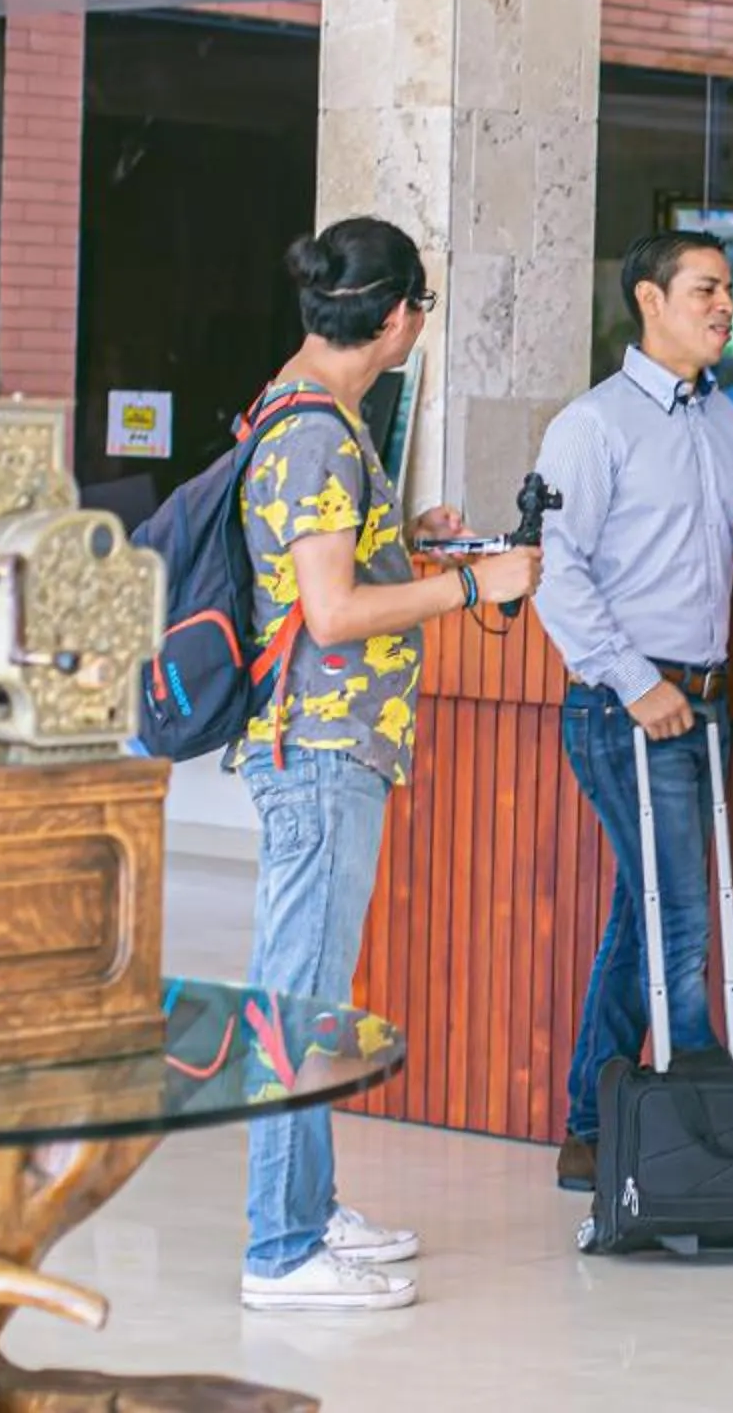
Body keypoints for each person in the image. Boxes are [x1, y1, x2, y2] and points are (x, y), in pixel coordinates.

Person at [235, 217, 538, 1314]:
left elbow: (328, 562)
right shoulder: (318, 428)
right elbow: (330, 610)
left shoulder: (311, 405)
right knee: (298, 1001)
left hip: (326, 745)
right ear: (399, 315)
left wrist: (412, 537)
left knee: (309, 992)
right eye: (425, 309)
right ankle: (278, 1249)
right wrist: (474, 587)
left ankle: (307, 1213)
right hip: (315, 748)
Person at [535, 230, 733, 1191]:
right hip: (626, 708)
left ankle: (590, 1128)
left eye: (729, 290)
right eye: (706, 289)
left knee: (646, 917)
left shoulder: (722, 418)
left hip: (705, 706)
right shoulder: (593, 425)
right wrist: (634, 681)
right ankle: (710, 1120)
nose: (725, 306)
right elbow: (555, 573)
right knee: (680, 919)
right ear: (650, 299)